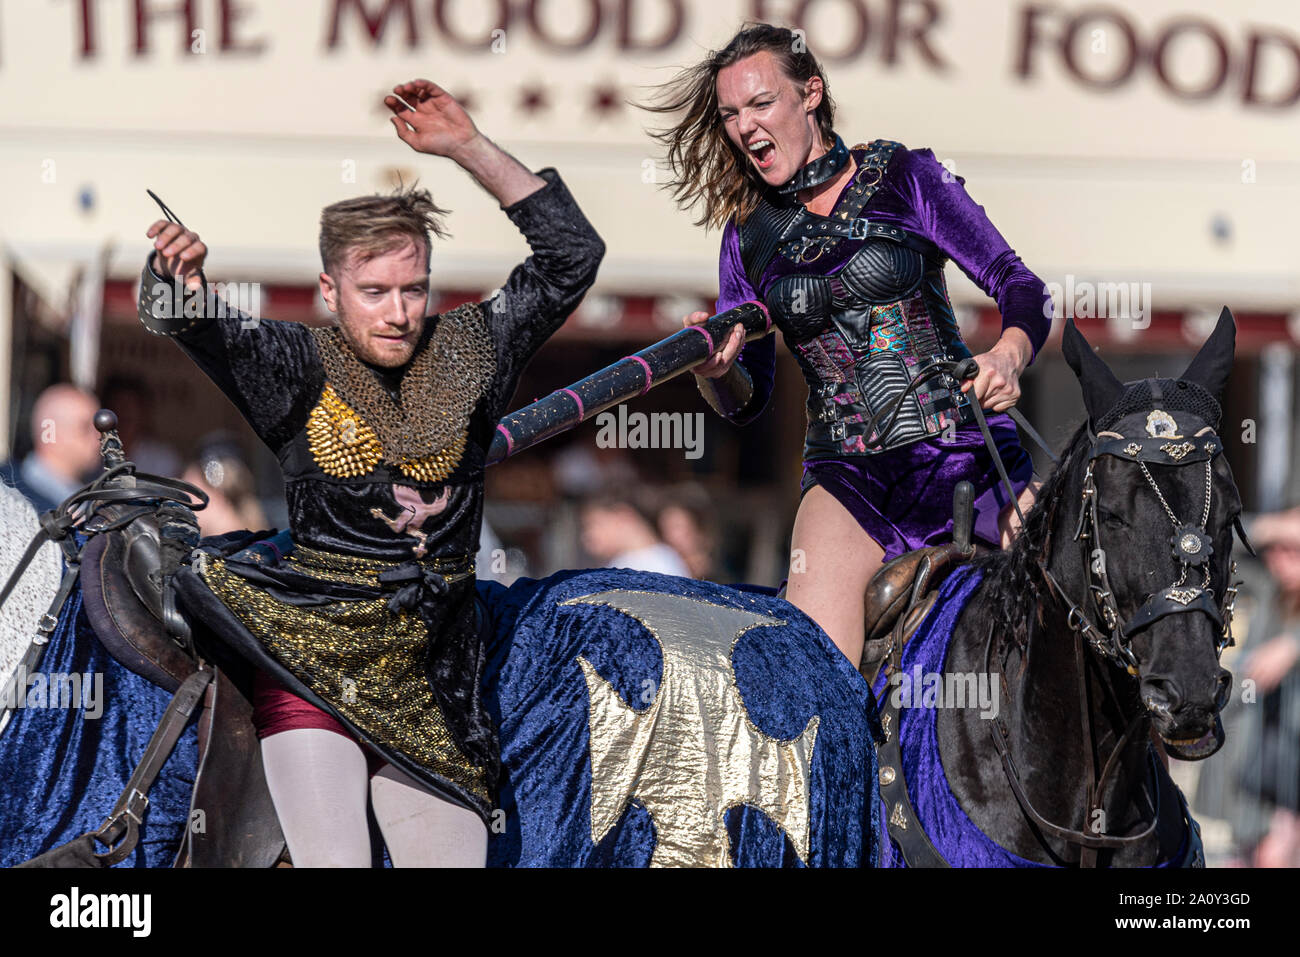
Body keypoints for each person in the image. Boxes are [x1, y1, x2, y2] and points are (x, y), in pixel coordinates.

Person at [139, 78, 604, 866]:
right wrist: (178, 280)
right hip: (313, 661)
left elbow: (572, 256)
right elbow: (191, 320)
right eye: (375, 291)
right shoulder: (289, 362)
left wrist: (468, 146)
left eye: (414, 288)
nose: (398, 311)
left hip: (438, 684)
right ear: (329, 290)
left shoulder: (471, 349)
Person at [646, 24, 1050, 665]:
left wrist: (1008, 354)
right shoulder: (746, 236)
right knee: (819, 683)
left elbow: (1019, 285)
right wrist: (715, 374)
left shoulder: (906, 175)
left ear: (811, 93)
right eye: (730, 114)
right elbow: (747, 403)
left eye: (760, 104)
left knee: (1076, 619)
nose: (745, 126)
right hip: (850, 480)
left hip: (965, 454)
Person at [0, 384, 101, 514]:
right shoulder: (7, 498)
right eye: (85, 428)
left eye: (100, 429)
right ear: (49, 432)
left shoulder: (96, 501)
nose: (98, 438)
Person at [579, 488, 691, 577]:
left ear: (623, 516)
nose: (588, 535)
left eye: (593, 524)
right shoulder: (627, 562)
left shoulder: (656, 566)